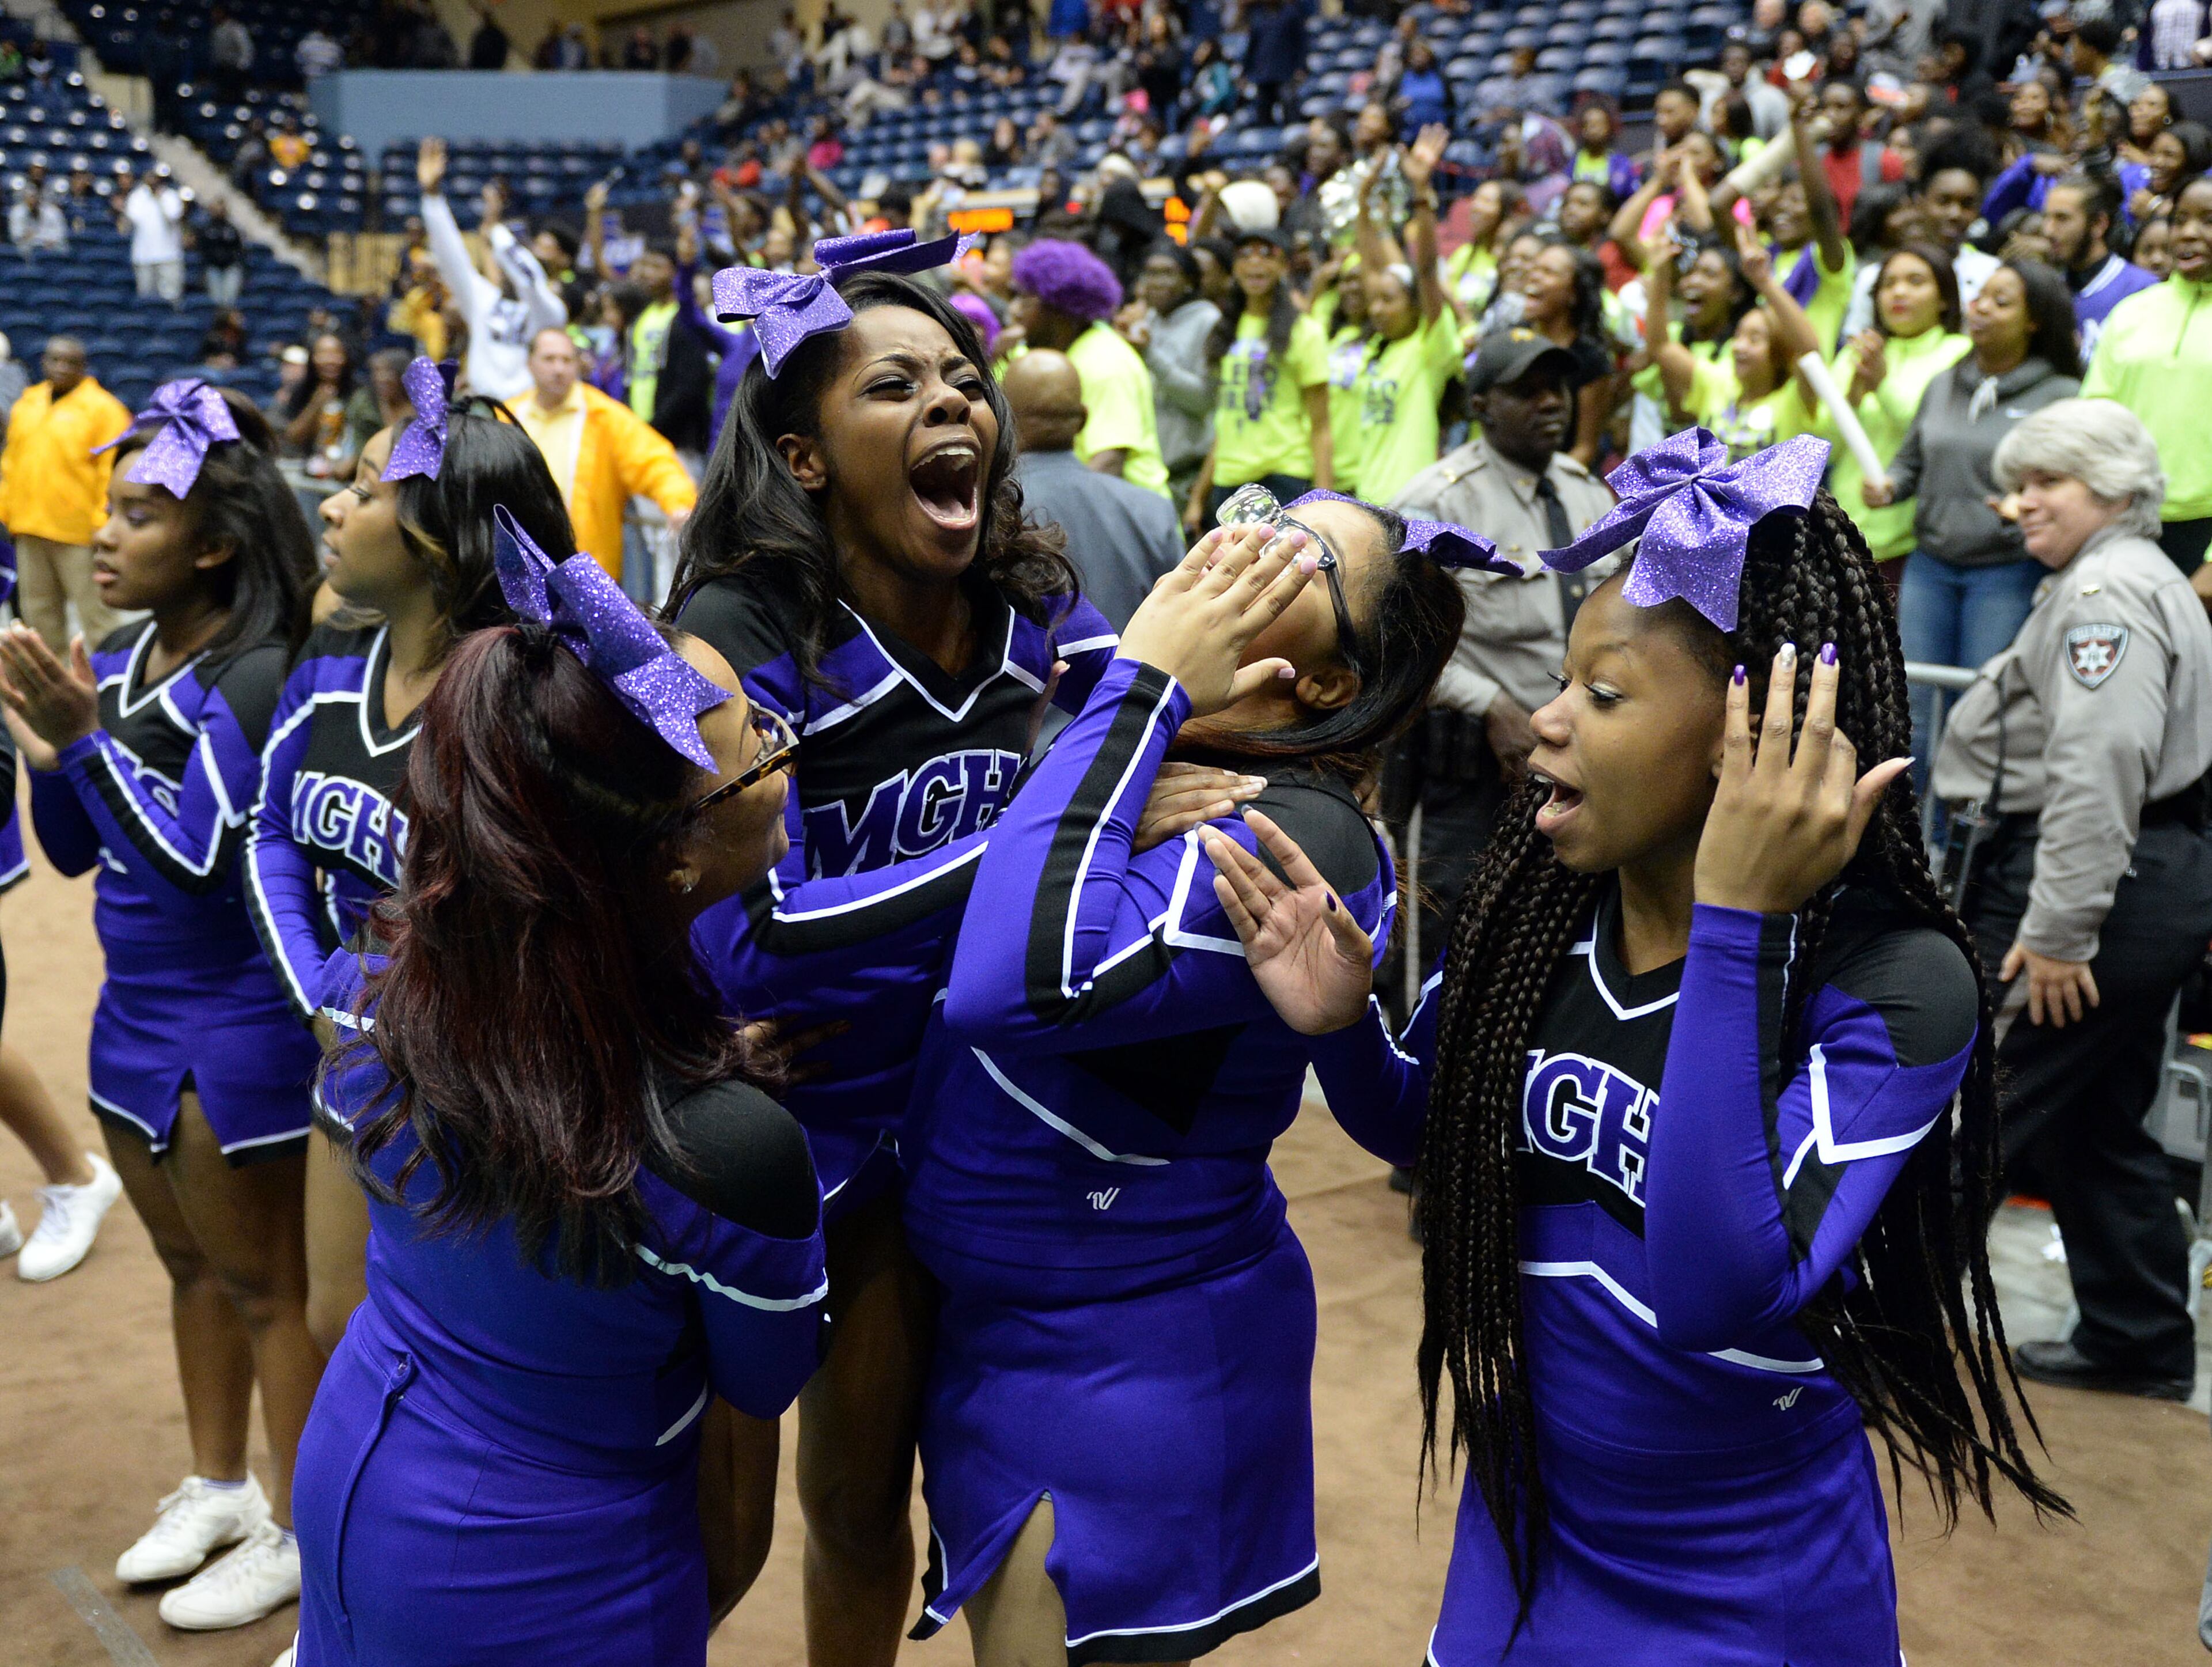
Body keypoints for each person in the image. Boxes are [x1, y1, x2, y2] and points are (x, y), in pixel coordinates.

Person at [1220, 431, 2063, 1663]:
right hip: (1525, 1537)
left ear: (1747, 736)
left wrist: (1735, 928)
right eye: (1566, 681)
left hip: (1748, 1583)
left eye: (1604, 697)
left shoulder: (1890, 977)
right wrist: (1346, 1037)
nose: (1549, 722)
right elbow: (1439, 1132)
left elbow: (1715, 1294)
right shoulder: (1546, 918)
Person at [901, 490, 1488, 1662]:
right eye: (1255, 511)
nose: (1247, 535)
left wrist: (1132, 695)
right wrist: (1113, 744)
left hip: (1127, 1355)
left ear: (1324, 683)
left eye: (1301, 552)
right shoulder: (1146, 761)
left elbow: (1011, 989)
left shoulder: (1298, 833)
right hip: (1003, 1328)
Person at [672, 239, 1125, 1667]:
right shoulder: (736, 630)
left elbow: (1148, 746)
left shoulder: (1031, 593)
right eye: (897, 383)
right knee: (781, 1525)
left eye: (963, 378)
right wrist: (1043, 835)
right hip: (802, 1127)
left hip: (993, 1108)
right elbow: (760, 935)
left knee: (951, 1495)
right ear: (805, 456)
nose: (953, 404)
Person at [291, 510, 823, 1667]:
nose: (783, 748)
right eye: (759, 746)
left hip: (351, 1490)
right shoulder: (725, 1150)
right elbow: (763, 1388)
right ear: (674, 857)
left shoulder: (378, 994)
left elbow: (338, 1305)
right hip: (547, 1582)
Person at [2, 383, 323, 1635]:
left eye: (137, 515)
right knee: (192, 1267)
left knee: (268, 1288)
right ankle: (222, 1484)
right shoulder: (135, 655)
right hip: (132, 1011)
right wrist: (52, 754)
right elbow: (84, 852)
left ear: (215, 544)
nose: (103, 535)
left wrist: (86, 746)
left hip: (231, 1021)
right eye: (109, 507)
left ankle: (299, 1528)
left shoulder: (256, 673)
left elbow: (201, 861)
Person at [244, 362, 530, 1368]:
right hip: (353, 1064)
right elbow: (268, 831)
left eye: (365, 489)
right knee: (336, 1327)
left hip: (484, 1088)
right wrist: (323, 992)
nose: (333, 500)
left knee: (467, 1355)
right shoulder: (329, 665)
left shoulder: (522, 701)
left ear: (435, 542)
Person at [1934, 398, 2212, 1403]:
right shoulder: (2126, 578)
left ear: (2113, 488)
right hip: (2129, 880)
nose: (2018, 504)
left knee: (1979, 1099)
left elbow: (2101, 771)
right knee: (2095, 1117)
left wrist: (2056, 933)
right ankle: (2137, 1332)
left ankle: (1889, 1328)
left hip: (2094, 888)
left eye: (2046, 481)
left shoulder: (2104, 592)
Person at [1387, 328, 1616, 995]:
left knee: (1545, 937)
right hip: (1471, 770)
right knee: (1447, 938)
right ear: (1483, 405)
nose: (1552, 403)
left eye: (1558, 388)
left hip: (1576, 764)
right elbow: (1401, 639)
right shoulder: (1439, 500)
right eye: (1527, 390)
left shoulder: (1586, 493)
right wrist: (1491, 705)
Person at [1867, 260, 2080, 768]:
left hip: (2005, 572)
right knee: (1912, 706)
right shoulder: (1944, 383)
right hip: (1930, 567)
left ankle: (1961, 834)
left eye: (2001, 302)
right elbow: (1912, 459)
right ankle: (1913, 835)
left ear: (2035, 322)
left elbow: (2070, 485)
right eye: (1980, 297)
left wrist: (2030, 505)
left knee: (1979, 708)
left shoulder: (2062, 397)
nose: (1981, 309)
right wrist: (1892, 485)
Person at [2080, 174, 2212, 574]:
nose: (2188, 233)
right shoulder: (2133, 312)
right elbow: (2095, 418)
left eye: (2208, 220)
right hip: (2129, 520)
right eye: (2180, 220)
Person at [1003, 349, 1183, 630]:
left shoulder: (988, 511)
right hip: (1135, 672)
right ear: (1084, 420)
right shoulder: (1153, 511)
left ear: (1002, 419)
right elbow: (1180, 623)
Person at [512, 327, 697, 586]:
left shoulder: (604, 416)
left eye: (567, 360)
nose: (559, 369)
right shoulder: (510, 414)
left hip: (587, 570)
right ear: (530, 363)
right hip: (521, 565)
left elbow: (653, 461)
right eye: (549, 359)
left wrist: (679, 503)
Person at [1824, 244, 1971, 570]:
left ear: (1945, 298)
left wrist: (1882, 385)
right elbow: (1826, 446)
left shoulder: (1960, 354)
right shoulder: (1858, 353)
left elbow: (1934, 438)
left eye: (1916, 282)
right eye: (1888, 284)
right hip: (1843, 533)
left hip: (1914, 542)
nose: (1899, 292)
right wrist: (1855, 394)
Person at [1342, 127, 1462, 505]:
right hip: (1368, 498)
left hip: (1414, 504)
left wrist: (1421, 193)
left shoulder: (1429, 348)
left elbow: (1426, 271)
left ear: (1413, 304)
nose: (1376, 309)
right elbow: (1369, 264)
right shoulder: (1377, 347)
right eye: (1374, 301)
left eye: (1388, 301)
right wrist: (1363, 202)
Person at [1646, 222, 1826, 462]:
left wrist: (1764, 282)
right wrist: (1660, 275)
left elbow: (1809, 350)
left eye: (1755, 339)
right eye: (1739, 336)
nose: (1739, 347)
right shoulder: (1718, 387)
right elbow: (1661, 347)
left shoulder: (1795, 400)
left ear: (1779, 350)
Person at [1190, 228, 1333, 529]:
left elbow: (1321, 427)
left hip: (1283, 479)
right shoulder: (1226, 330)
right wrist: (1198, 498)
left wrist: (1324, 502)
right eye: (1245, 255)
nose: (1255, 262)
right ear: (1234, 268)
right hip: (1227, 482)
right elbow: (1227, 420)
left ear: (1283, 266)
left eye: (1267, 254)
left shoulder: (1305, 332)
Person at [1008, 239, 1172, 499]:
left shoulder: (1106, 362)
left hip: (1128, 523)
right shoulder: (1042, 354)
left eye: (1026, 300)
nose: (1015, 312)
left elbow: (1108, 463)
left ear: (1059, 310)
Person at [0, 338, 132, 653]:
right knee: (39, 619)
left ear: (83, 367)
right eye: (54, 360)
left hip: (81, 534)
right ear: (43, 363)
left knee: (97, 617)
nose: (61, 368)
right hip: (30, 528)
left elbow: (112, 470)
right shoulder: (28, 403)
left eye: (69, 362)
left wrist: (104, 521)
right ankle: (51, 691)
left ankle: (111, 687)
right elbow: (11, 461)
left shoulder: (104, 409)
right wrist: (7, 508)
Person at [415, 140, 567, 403]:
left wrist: (496, 232)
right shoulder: (484, 299)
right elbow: (453, 259)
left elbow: (529, 283)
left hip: (528, 414)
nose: (507, 272)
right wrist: (432, 198)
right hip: (483, 410)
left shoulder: (549, 311)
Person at [1126, 240, 1219, 509]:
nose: (1156, 282)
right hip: (1151, 473)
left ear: (1189, 280)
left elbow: (1203, 400)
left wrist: (1151, 355)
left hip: (1187, 472)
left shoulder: (1208, 321)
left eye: (1167, 273)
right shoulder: (1149, 320)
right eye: (1150, 273)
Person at [121, 167, 187, 306]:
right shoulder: (137, 196)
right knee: (146, 298)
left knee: (172, 298)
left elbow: (173, 216)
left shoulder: (171, 196)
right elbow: (133, 217)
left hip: (169, 255)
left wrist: (160, 199)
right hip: (144, 256)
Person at [198, 199, 247, 309]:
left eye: (221, 209)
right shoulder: (206, 229)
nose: (219, 211)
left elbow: (239, 248)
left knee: (230, 301)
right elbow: (201, 249)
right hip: (213, 267)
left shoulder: (232, 228)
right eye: (216, 209)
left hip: (230, 266)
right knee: (216, 301)